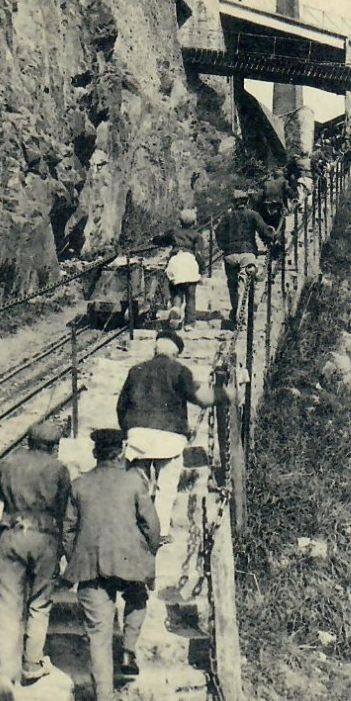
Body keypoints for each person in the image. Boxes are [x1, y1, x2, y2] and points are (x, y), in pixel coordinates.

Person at [62, 429, 161, 701]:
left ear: (95, 454)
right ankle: (129, 650)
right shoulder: (135, 481)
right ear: (121, 453)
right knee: (138, 597)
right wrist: (148, 553)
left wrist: (76, 557)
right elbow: (152, 525)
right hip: (129, 560)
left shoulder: (79, 485)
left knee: (99, 635)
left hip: (91, 565)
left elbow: (67, 530)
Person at [0, 420, 71, 701]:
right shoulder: (59, 470)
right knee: (39, 602)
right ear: (52, 446)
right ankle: (32, 663)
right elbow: (63, 510)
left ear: (29, 441)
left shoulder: (7, 465)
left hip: (11, 536)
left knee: (7, 608)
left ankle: (5, 677)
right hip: (44, 538)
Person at [116, 329, 224, 541]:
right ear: (176, 353)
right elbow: (200, 398)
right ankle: (161, 531)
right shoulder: (180, 370)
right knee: (166, 486)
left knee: (139, 485)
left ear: (155, 349)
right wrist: (224, 394)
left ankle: (135, 527)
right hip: (170, 439)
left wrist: (128, 431)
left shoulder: (135, 370)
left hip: (139, 437)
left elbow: (121, 406)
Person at [215, 188, 276, 325]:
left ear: (234, 203)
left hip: (230, 254)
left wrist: (224, 246)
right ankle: (241, 314)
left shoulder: (227, 217)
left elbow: (218, 232)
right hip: (247, 253)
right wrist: (272, 237)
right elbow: (264, 230)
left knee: (232, 284)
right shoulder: (253, 215)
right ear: (247, 201)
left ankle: (235, 308)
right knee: (244, 284)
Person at [158, 208, 206, 330]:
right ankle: (189, 323)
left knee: (176, 290)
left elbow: (161, 240)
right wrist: (202, 270)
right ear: (194, 223)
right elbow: (200, 254)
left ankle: (176, 308)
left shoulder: (173, 232)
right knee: (190, 295)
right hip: (190, 262)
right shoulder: (197, 236)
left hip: (176, 261)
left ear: (180, 221)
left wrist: (153, 240)